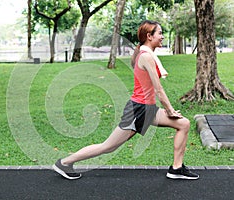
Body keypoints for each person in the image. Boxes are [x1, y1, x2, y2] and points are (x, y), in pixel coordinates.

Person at [53, 20, 199, 180]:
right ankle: (65, 163)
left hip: (148, 109)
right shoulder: (146, 57)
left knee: (183, 124)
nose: (163, 37)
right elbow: (159, 90)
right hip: (138, 110)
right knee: (108, 147)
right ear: (149, 36)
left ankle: (176, 168)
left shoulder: (147, 54)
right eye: (160, 33)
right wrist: (170, 110)